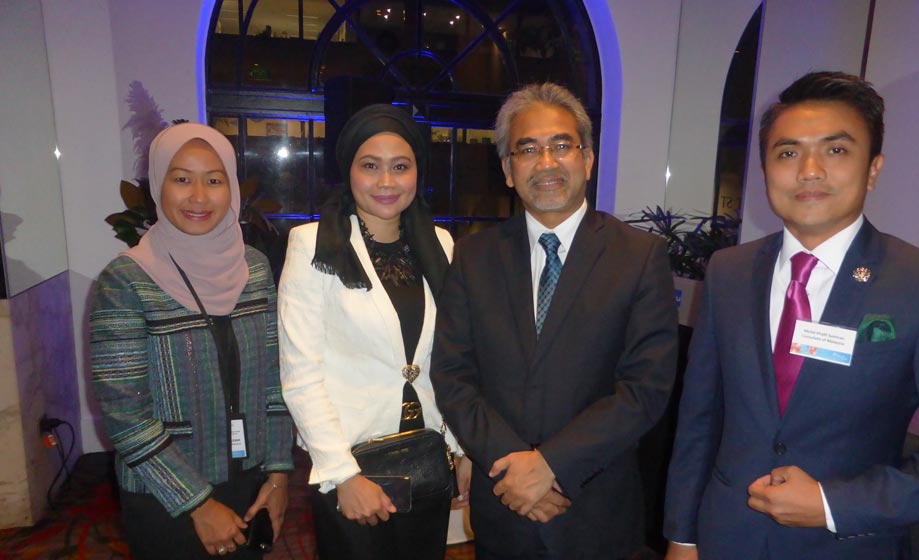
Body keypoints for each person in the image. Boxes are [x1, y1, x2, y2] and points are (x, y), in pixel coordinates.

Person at [662, 71, 919, 560]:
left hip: (844, 546)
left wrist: (831, 503)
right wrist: (682, 536)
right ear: (765, 169)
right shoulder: (728, 271)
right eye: (788, 152)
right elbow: (699, 418)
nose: (810, 170)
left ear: (873, 168)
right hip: (725, 537)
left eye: (836, 150)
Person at [431, 82, 679, 559]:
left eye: (562, 146)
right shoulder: (473, 257)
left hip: (596, 509)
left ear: (587, 159)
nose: (546, 163)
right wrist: (513, 469)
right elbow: (453, 375)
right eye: (528, 149)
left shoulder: (639, 256)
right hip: (504, 505)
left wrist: (551, 465)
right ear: (508, 170)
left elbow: (645, 388)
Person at [90, 123, 294, 559]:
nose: (199, 197)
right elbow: (125, 414)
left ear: (231, 188)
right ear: (158, 186)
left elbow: (275, 381)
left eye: (214, 180)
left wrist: (278, 475)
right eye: (182, 179)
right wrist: (197, 504)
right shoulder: (126, 280)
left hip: (251, 482)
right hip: (166, 492)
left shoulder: (255, 268)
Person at [277, 104, 471, 560]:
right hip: (352, 465)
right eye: (370, 166)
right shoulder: (312, 244)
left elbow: (454, 356)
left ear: (417, 173)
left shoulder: (441, 244)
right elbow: (300, 374)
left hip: (427, 457)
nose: (386, 181)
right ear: (348, 170)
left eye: (400, 167)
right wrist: (343, 475)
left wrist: (463, 450)